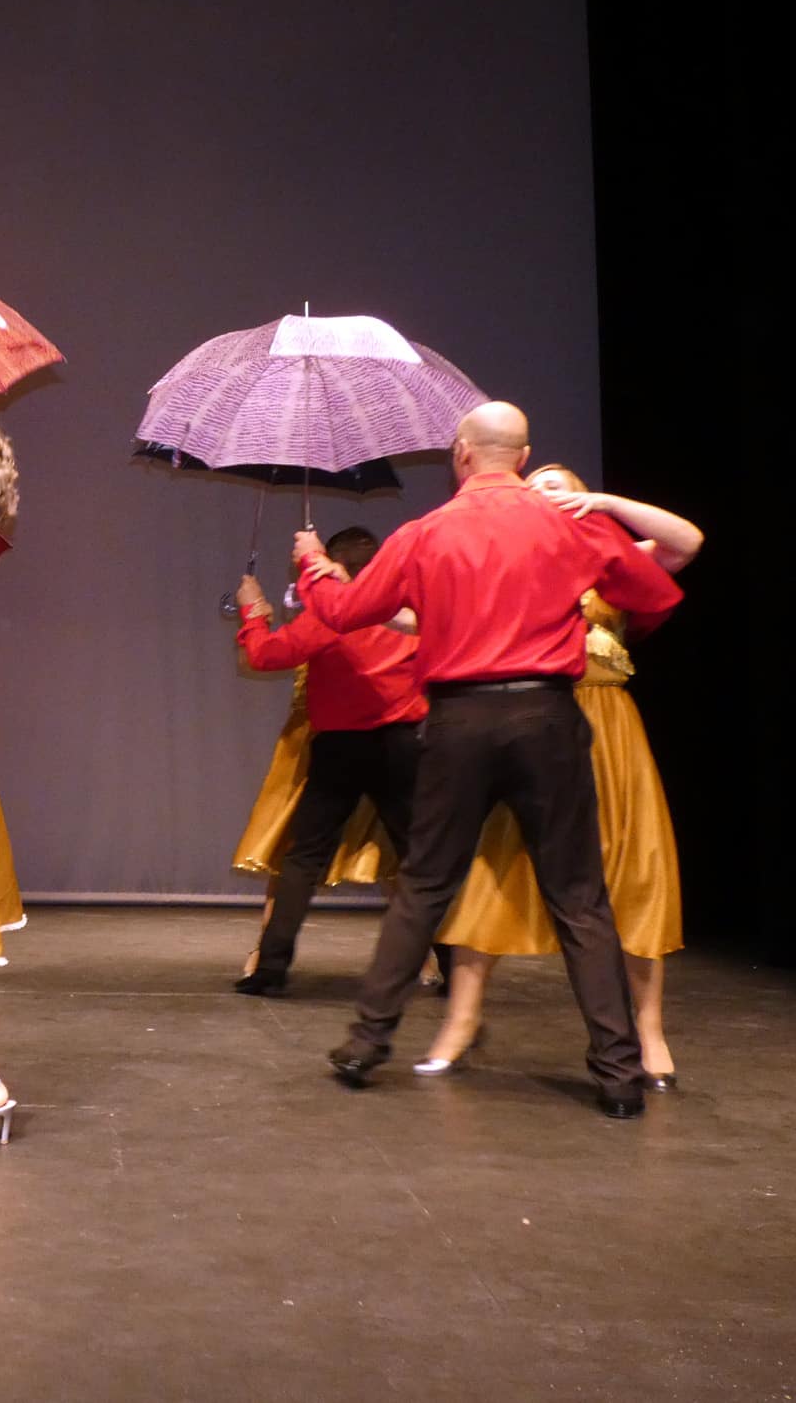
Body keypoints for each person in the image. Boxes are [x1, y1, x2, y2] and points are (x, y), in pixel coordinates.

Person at [291, 402, 683, 1118]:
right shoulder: (569, 525)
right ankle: (618, 1074)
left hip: (459, 721)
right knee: (579, 896)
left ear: (461, 455)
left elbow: (346, 614)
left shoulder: (425, 531)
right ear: (523, 457)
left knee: (424, 885)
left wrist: (315, 569)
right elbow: (654, 591)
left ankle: (366, 1044)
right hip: (546, 715)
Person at [417, 465, 702, 1085]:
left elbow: (686, 541)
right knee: (497, 868)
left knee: (632, 873)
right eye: (534, 483)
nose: (541, 491)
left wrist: (601, 500)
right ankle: (460, 1020)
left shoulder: (609, 558)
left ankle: (648, 1030)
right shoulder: (511, 562)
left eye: (556, 483)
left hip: (610, 734)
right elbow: (428, 614)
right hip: (535, 727)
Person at [229, 527, 426, 996]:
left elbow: (265, 655)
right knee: (422, 860)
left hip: (340, 749)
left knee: (304, 859)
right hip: (403, 746)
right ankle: (455, 967)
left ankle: (271, 968)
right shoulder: (410, 616)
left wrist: (253, 611)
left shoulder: (329, 619)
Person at [228, 662, 398, 978]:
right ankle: (267, 951)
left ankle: (422, 949)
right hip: (317, 722)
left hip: (382, 715)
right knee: (292, 841)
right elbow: (261, 655)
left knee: (395, 842)